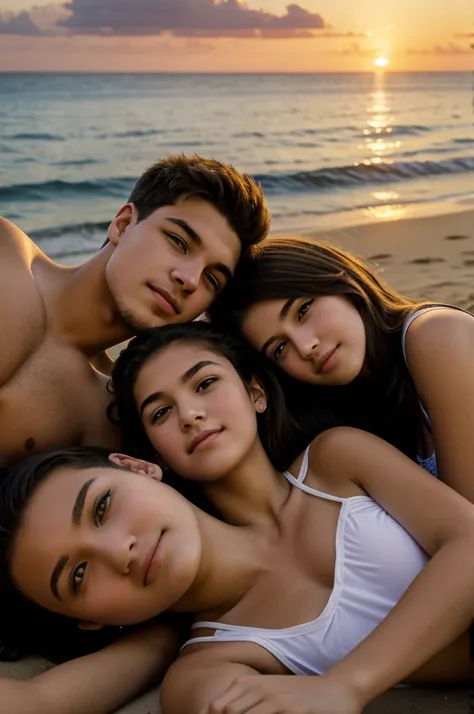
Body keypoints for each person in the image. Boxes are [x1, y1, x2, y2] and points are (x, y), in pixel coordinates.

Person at [3, 323, 474, 714]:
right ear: (86, 620)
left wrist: (350, 683)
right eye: (79, 575)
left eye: (102, 507)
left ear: (137, 466)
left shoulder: (337, 460)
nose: (117, 552)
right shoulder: (206, 668)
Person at [0, 154, 269, 467]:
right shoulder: (7, 256)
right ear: (123, 224)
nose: (190, 280)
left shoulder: (111, 416)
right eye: (178, 241)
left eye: (212, 278)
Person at [208, 236, 474, 498]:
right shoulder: (357, 414)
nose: (305, 347)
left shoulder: (435, 334)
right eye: (279, 348)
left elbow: (466, 517)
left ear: (339, 280)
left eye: (303, 310)